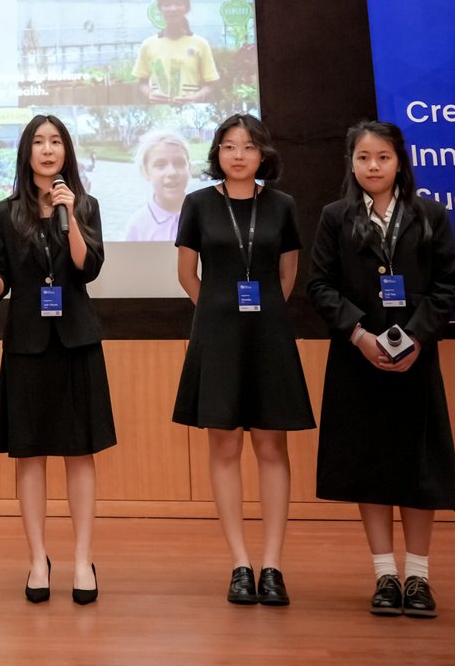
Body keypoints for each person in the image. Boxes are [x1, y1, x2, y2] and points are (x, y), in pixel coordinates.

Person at [309, 120, 455, 619]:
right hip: (357, 358)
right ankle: (384, 575)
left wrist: (417, 336)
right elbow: (320, 286)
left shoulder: (429, 215)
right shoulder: (335, 217)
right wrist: (359, 335)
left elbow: (447, 287)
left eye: (383, 157)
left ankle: (417, 576)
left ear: (400, 162)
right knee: (369, 464)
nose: (373, 166)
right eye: (363, 158)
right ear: (351, 164)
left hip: (416, 357)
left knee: (418, 465)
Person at [0, 114, 113, 606]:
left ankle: (83, 559)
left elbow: (87, 268)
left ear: (66, 151)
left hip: (76, 340)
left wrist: (68, 213)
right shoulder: (6, 212)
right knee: (28, 454)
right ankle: (37, 559)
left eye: (56, 142)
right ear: (26, 151)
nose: (48, 150)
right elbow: (2, 285)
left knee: (79, 452)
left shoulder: (84, 204)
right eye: (39, 142)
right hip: (27, 342)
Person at [173, 113, 313, 607]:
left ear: (262, 154)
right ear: (218, 152)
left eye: (249, 146)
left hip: (269, 336)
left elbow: (288, 274)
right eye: (230, 146)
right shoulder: (197, 204)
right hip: (218, 338)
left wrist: (262, 314)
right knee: (225, 447)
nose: (238, 155)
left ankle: (272, 564)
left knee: (272, 447)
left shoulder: (282, 205)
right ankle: (239, 563)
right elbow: (187, 274)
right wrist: (217, 313)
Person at [133, 0, 218, 105]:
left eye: (178, 4)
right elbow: (142, 82)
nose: (173, 9)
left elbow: (211, 84)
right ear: (160, 9)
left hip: (191, 111)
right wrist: (149, 94)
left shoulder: (201, 44)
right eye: (167, 4)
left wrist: (197, 97)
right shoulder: (148, 44)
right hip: (159, 111)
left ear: (186, 8)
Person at [122, 129, 192, 241]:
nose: (172, 172)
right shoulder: (138, 226)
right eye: (160, 165)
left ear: (189, 168)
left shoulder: (207, 218)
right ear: (145, 171)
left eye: (179, 163)